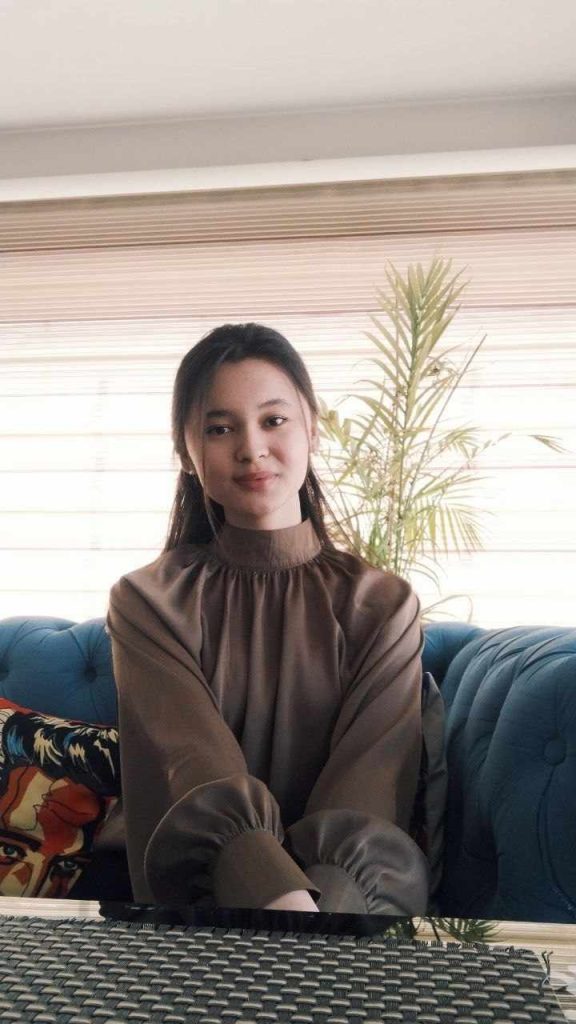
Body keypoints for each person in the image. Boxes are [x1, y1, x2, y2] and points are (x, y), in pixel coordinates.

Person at [104, 322, 444, 915]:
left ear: (312, 426)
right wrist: (286, 911)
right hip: (195, 920)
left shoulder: (384, 604)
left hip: (341, 918)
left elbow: (366, 796)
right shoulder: (147, 601)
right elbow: (196, 770)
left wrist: (317, 935)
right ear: (185, 452)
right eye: (219, 427)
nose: (251, 448)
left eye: (273, 419)